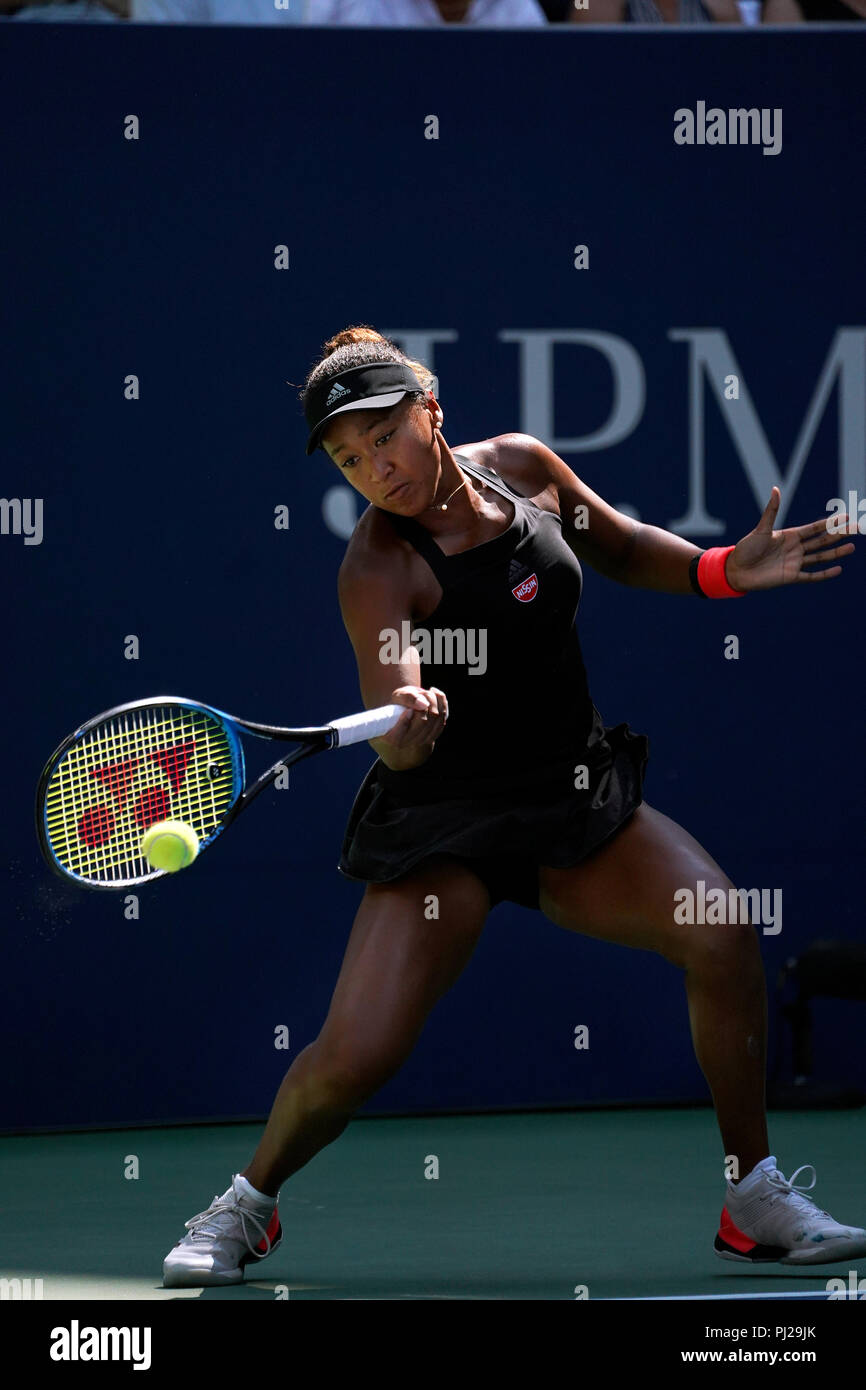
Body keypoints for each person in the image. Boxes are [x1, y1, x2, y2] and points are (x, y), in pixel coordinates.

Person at [162, 324, 865, 1287]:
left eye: (384, 438)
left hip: (569, 801)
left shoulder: (525, 470)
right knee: (354, 1055)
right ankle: (244, 1207)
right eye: (348, 460)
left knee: (723, 929)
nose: (375, 470)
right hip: (443, 824)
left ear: (430, 410)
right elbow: (400, 715)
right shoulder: (377, 566)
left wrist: (719, 571)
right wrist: (409, 719)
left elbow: (617, 547)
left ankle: (753, 1197)